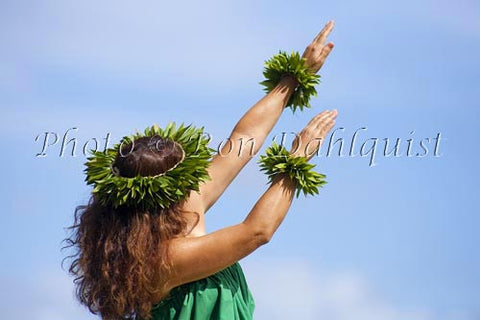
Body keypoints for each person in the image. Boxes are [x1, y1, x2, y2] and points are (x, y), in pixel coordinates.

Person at [63, 20, 337, 320]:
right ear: (166, 192)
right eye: (185, 177)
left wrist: (294, 78)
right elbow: (256, 232)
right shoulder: (160, 262)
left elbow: (243, 140)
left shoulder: (183, 207)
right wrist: (297, 159)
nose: (194, 181)